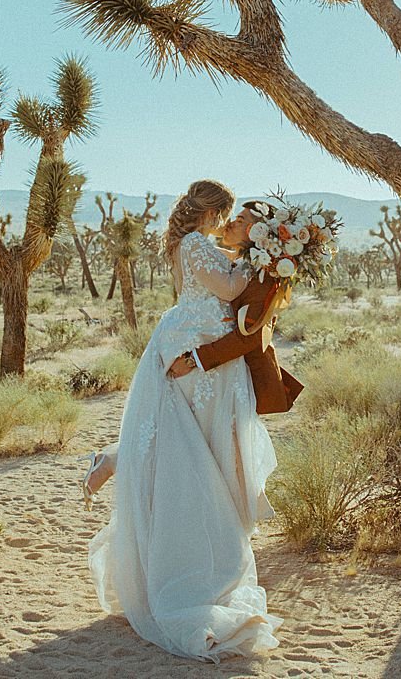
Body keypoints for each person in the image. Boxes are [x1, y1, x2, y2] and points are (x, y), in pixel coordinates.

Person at [85, 179, 281, 661]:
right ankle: (191, 561)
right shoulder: (196, 245)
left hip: (205, 355)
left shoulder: (194, 244)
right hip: (196, 356)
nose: (228, 221)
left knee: (185, 447)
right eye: (227, 213)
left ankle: (116, 458)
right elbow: (231, 289)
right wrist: (262, 260)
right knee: (193, 453)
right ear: (213, 212)